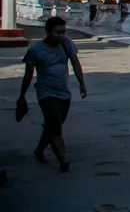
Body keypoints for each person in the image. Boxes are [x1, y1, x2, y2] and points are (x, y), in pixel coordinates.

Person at [17, 16, 87, 171]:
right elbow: (28, 75)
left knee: (53, 125)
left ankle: (39, 150)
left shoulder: (66, 43)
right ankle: (63, 159)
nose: (61, 35)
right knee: (55, 126)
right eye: (58, 32)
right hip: (46, 93)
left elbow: (75, 62)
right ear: (47, 32)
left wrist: (82, 83)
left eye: (63, 32)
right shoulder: (35, 51)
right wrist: (22, 96)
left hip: (64, 92)